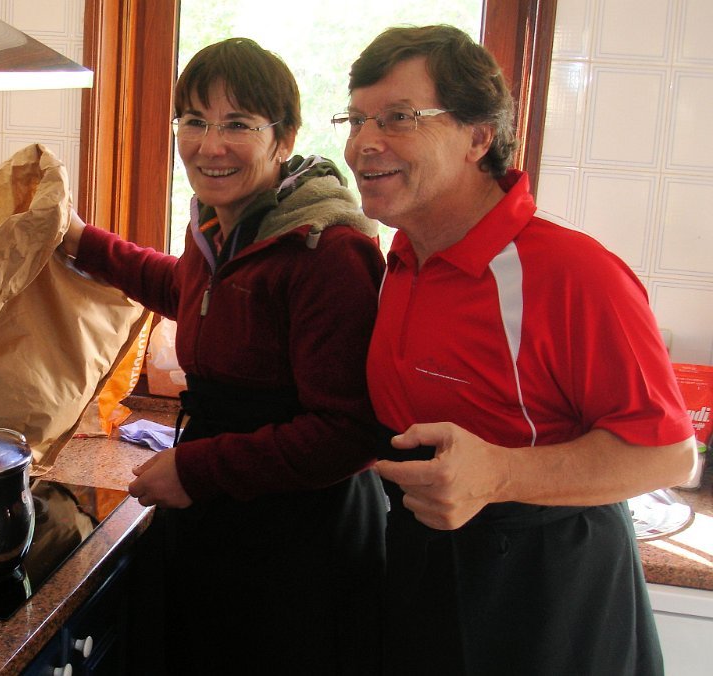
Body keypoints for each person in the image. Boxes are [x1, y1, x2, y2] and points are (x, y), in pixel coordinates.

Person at [339, 24, 698, 675]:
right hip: (424, 565)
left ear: (479, 137)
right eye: (356, 118)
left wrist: (500, 474)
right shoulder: (400, 260)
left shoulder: (571, 272)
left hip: (548, 586)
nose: (364, 141)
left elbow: (669, 453)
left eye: (398, 117)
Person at [62, 37, 386, 673]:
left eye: (238, 124)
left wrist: (195, 469)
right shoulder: (227, 224)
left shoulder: (327, 250)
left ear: (284, 137)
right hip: (227, 511)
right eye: (194, 121)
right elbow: (190, 291)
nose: (210, 146)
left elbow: (347, 434)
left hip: (300, 540)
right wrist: (82, 242)